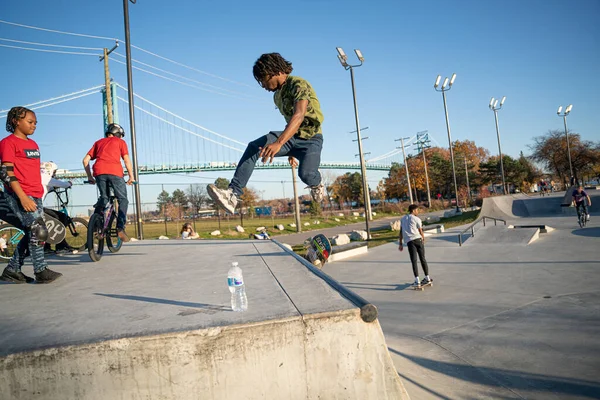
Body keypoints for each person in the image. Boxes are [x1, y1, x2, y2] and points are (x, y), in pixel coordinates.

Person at [207, 52, 325, 214]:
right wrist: (289, 150)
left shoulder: (298, 84)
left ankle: (317, 183)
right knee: (254, 147)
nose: (263, 86)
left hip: (312, 138)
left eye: (263, 80)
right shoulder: (277, 96)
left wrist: (279, 143)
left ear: (274, 72)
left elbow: (299, 115)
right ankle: (232, 194)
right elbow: (290, 120)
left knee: (306, 174)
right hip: (292, 137)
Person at [0, 106, 62, 283]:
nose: (34, 125)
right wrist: (22, 197)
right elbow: (6, 172)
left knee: (31, 233)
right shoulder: (8, 142)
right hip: (19, 194)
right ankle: (40, 271)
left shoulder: (33, 144)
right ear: (16, 121)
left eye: (35, 123)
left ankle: (12, 270)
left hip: (35, 194)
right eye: (30, 122)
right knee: (38, 230)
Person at [82, 123, 134, 242]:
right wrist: (131, 177)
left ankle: (95, 224)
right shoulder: (120, 142)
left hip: (99, 172)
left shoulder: (98, 142)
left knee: (104, 198)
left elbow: (85, 160)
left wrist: (90, 177)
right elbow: (126, 160)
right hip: (115, 172)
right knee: (123, 199)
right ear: (117, 133)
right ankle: (120, 227)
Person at [40, 161, 75, 254]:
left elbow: (48, 187)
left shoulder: (40, 177)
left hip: (37, 206)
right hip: (37, 208)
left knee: (49, 222)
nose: (54, 174)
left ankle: (46, 247)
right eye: (54, 171)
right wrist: (69, 183)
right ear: (49, 170)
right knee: (61, 217)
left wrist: (53, 188)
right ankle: (60, 246)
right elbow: (63, 184)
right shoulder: (46, 178)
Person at [399, 204, 432, 287]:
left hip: (410, 242)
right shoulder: (416, 219)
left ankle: (417, 280)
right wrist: (423, 238)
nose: (418, 212)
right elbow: (420, 230)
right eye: (417, 210)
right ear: (413, 211)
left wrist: (400, 243)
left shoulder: (403, 219)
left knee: (414, 261)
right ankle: (427, 278)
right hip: (418, 240)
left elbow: (401, 232)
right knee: (422, 259)